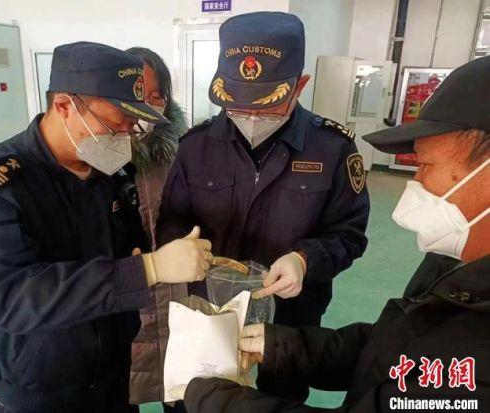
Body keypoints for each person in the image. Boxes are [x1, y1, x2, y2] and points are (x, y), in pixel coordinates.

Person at [183, 56, 490, 413]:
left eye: (426, 165)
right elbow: (393, 349)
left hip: (293, 308)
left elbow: (348, 231)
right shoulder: (451, 267)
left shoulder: (330, 145)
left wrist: (217, 402)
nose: (416, 183)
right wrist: (282, 346)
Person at [0, 41, 213, 413]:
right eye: (116, 123)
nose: (127, 135)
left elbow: (129, 247)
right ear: (64, 106)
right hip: (38, 384)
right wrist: (148, 269)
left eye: (134, 124)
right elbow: (13, 297)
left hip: (111, 374)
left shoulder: (109, 173)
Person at [156, 12, 370, 402]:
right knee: (198, 399)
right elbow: (172, 219)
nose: (251, 117)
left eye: (266, 106)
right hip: (208, 311)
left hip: (289, 318)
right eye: (238, 107)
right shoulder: (196, 146)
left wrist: (305, 260)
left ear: (300, 85)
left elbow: (349, 233)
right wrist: (182, 250)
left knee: (279, 402)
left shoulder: (332, 149)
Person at [122, 47, 190, 406]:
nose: (147, 107)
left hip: (178, 297)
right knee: (123, 387)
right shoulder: (97, 159)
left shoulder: (185, 150)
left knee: (180, 390)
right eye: (137, 95)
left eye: (156, 96)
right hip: (124, 296)